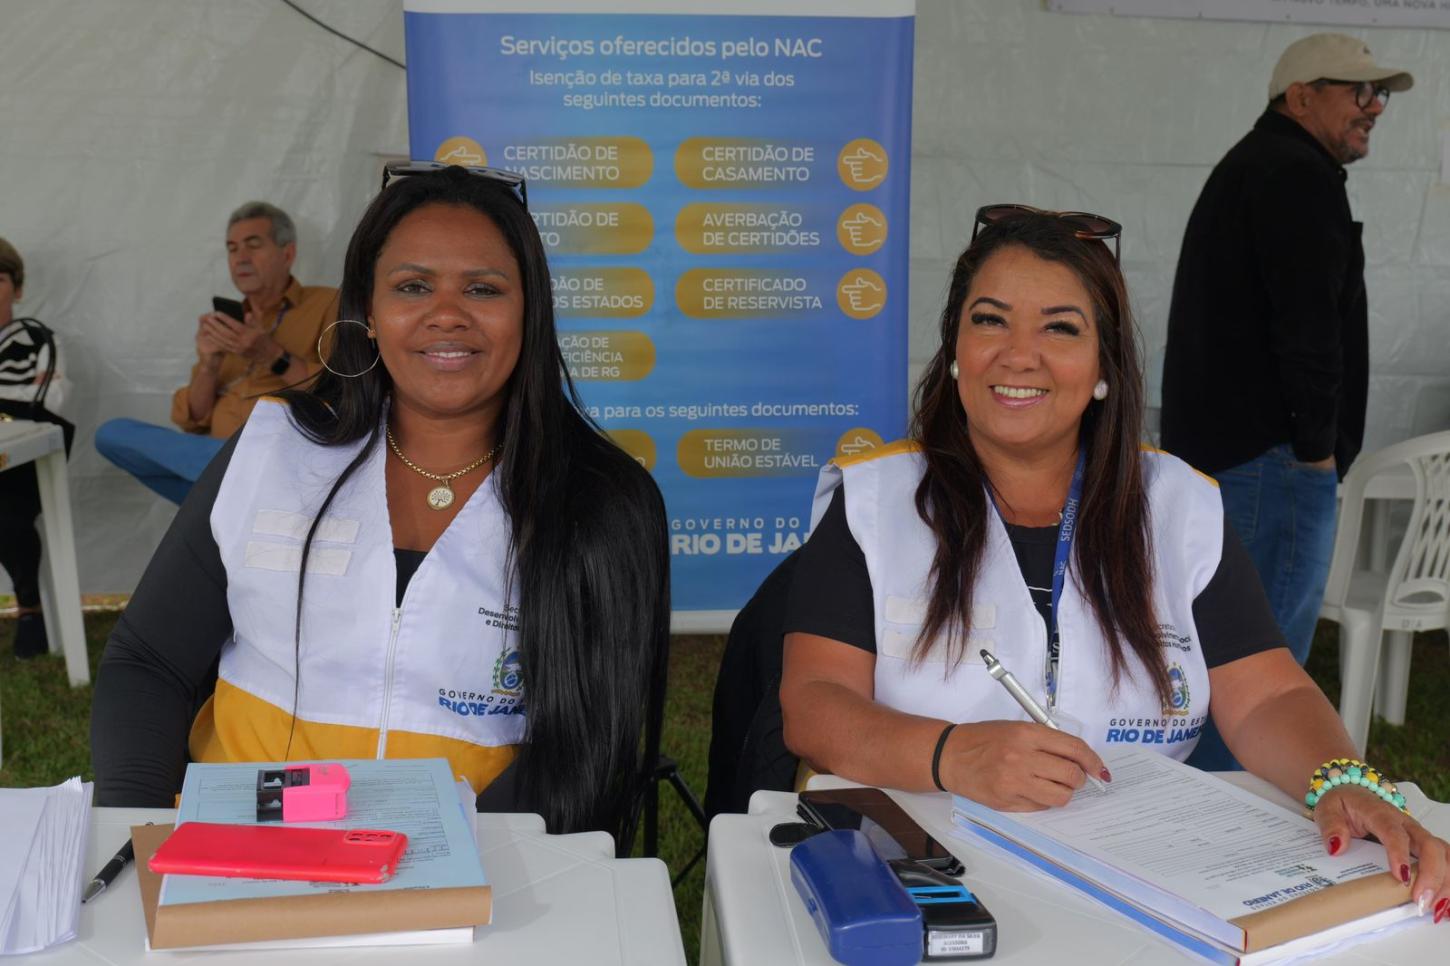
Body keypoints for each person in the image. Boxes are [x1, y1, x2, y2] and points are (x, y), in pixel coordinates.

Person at [778, 206, 1449, 920]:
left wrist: (1341, 780)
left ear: (1104, 367)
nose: (1018, 354)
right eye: (990, 320)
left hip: (1139, 885)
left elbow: (1267, 696)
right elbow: (814, 704)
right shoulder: (876, 503)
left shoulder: (1178, 509)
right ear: (954, 348)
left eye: (1060, 327)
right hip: (921, 872)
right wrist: (951, 755)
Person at [90, 165, 670, 844]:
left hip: (482, 861)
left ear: (530, 311)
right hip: (245, 843)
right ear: (367, 311)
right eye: (412, 286)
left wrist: (440, 864)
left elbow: (586, 743)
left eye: (483, 288)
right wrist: (133, 828)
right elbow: (149, 661)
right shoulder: (272, 449)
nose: (446, 313)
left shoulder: (602, 500)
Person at [1160, 35, 1412, 771]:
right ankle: (1220, 844)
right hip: (1272, 464)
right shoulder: (1293, 176)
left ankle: (1200, 826)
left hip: (1243, 461)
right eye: (1355, 91)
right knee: (1259, 673)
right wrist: (1315, 450)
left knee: (1223, 658)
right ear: (1299, 95)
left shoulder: (1263, 168)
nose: (1373, 107)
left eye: (1380, 95)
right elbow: (1309, 331)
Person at [94, 202, 337, 503]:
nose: (241, 259)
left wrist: (272, 355)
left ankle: (233, 484)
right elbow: (193, 420)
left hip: (287, 460)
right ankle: (230, 489)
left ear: (287, 254)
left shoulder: (328, 304)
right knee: (112, 434)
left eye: (253, 246)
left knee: (226, 474)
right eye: (232, 249)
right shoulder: (227, 322)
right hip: (220, 460)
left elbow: (342, 397)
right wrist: (209, 366)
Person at [0, 236, 73, 658]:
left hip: (22, 466)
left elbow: (51, 400)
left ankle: (29, 605)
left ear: (18, 288)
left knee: (7, 516)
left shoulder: (38, 340)